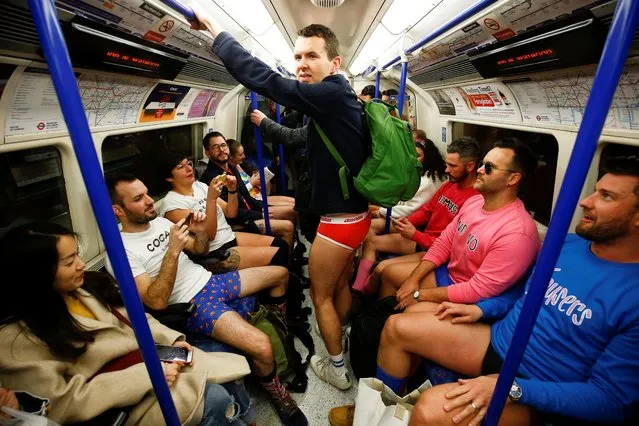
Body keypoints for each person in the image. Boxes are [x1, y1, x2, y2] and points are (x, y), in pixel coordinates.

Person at [359, 155, 639, 426]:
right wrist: (482, 309)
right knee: (398, 326)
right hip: (500, 341)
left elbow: (613, 400)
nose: (585, 202)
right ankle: (381, 416)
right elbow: (522, 292)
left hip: (542, 384)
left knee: (433, 410)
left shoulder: (632, 294)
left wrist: (515, 389)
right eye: (594, 191)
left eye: (606, 197)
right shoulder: (567, 245)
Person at [191, 5, 370, 391]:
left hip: (341, 221)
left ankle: (337, 368)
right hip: (352, 216)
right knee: (338, 287)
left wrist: (217, 32)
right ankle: (342, 336)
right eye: (298, 57)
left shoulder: (329, 95)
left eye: (312, 56)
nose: (301, 65)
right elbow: (302, 137)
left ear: (334, 62)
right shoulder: (335, 101)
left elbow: (267, 81)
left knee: (320, 295)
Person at [0, 222, 254, 425]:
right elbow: (63, 404)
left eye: (77, 254)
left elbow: (138, 319)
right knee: (216, 398)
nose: (80, 265)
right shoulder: (16, 339)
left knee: (231, 369)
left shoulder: (86, 287)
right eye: (68, 262)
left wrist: (173, 341)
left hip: (150, 358)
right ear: (36, 275)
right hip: (123, 397)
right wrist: (148, 376)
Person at [106, 174, 307, 425]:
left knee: (280, 275)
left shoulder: (158, 223)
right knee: (262, 345)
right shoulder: (120, 251)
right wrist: (172, 250)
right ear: (118, 210)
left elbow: (200, 250)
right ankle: (278, 395)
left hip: (210, 281)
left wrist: (200, 234)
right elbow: (155, 301)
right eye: (138, 198)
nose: (149, 201)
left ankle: (279, 326)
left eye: (147, 193)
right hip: (194, 302)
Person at [378, 138, 540, 307]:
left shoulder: (517, 233)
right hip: (449, 273)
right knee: (388, 273)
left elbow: (477, 290)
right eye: (482, 164)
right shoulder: (474, 203)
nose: (479, 170)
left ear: (513, 179)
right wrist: (413, 280)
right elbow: (443, 244)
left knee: (398, 324)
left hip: (469, 295)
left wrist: (419, 295)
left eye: (489, 167)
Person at [352, 137, 480, 296]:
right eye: (447, 164)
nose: (446, 170)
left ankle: (368, 300)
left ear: (470, 166)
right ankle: (357, 289)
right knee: (371, 241)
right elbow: (427, 210)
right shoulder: (449, 185)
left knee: (381, 269)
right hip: (423, 239)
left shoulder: (474, 200)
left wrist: (415, 235)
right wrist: (406, 223)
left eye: (453, 166)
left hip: (434, 250)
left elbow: (451, 246)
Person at [160, 154, 290, 273]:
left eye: (189, 164)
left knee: (281, 245)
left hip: (229, 235)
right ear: (169, 177)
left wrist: (232, 191)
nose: (188, 169)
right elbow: (209, 235)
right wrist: (211, 199)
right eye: (180, 167)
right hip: (215, 249)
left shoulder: (200, 186)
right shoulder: (172, 204)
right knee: (278, 255)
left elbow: (230, 213)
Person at [200, 131, 295, 247]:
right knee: (288, 226)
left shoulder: (231, 168)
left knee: (291, 210)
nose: (222, 150)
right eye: (216, 147)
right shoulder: (212, 178)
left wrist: (263, 208)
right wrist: (261, 214)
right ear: (208, 153)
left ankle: (293, 249)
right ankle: (287, 261)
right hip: (239, 222)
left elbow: (246, 197)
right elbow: (232, 212)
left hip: (248, 211)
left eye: (223, 145)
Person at [227, 138, 296, 207]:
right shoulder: (230, 174)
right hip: (254, 201)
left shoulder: (242, 165)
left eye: (243, 153)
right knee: (289, 207)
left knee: (293, 202)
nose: (244, 156)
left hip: (260, 195)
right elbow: (238, 195)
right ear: (231, 157)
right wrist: (252, 183)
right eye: (240, 155)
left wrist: (259, 176)